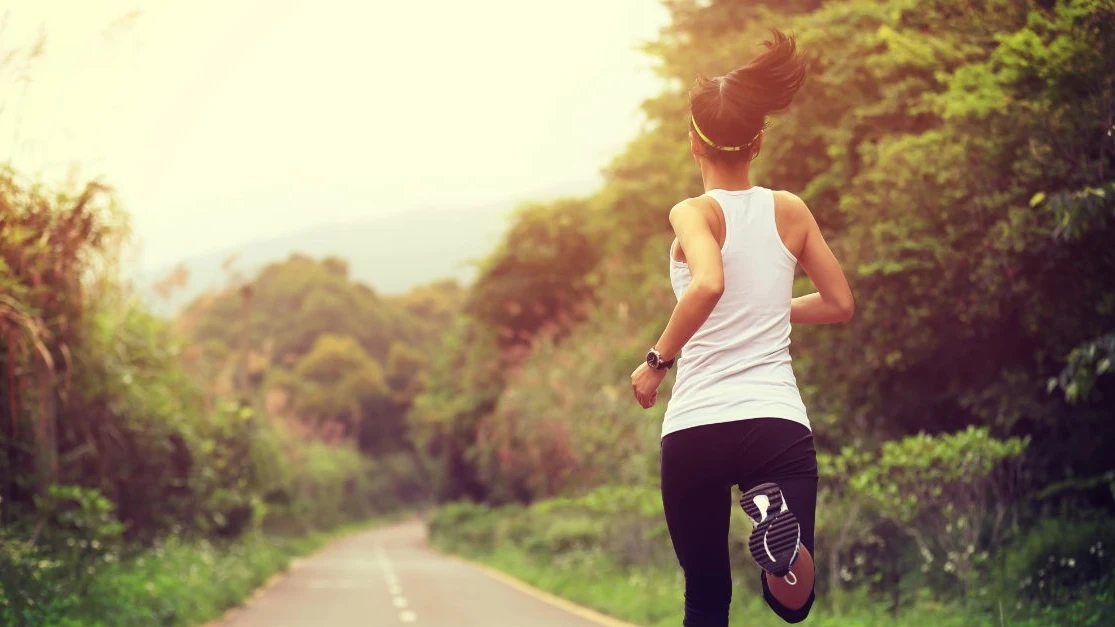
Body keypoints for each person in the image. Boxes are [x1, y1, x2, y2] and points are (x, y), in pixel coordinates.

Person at [629, 29, 855, 626]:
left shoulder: (693, 212)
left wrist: (656, 363)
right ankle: (779, 543)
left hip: (697, 426)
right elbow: (838, 304)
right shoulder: (790, 209)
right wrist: (769, 309)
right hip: (774, 421)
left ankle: (776, 540)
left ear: (692, 143)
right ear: (758, 141)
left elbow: (707, 284)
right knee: (793, 605)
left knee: (706, 598)